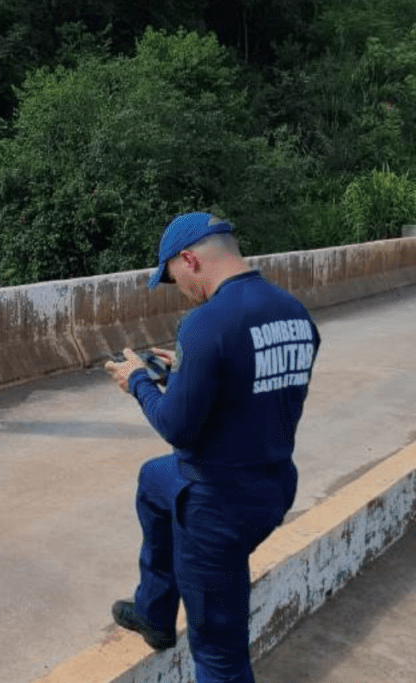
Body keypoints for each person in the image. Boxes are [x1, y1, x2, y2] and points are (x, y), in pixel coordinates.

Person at [103, 212, 321, 683]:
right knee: (152, 478)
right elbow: (251, 388)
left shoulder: (205, 323)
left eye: (173, 277)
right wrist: (183, 371)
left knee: (219, 658)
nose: (177, 287)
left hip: (217, 507)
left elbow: (177, 427)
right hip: (272, 486)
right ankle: (155, 613)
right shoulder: (294, 312)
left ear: (189, 260)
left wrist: (138, 381)